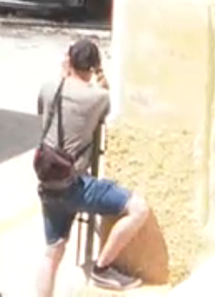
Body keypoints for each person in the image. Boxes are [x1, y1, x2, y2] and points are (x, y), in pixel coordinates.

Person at [36, 38, 149, 294]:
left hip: (48, 184)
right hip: (76, 186)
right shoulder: (97, 98)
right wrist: (100, 76)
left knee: (52, 254)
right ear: (94, 66)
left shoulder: (47, 87)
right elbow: (110, 106)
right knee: (138, 209)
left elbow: (46, 112)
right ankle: (101, 269)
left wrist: (63, 73)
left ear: (69, 60)